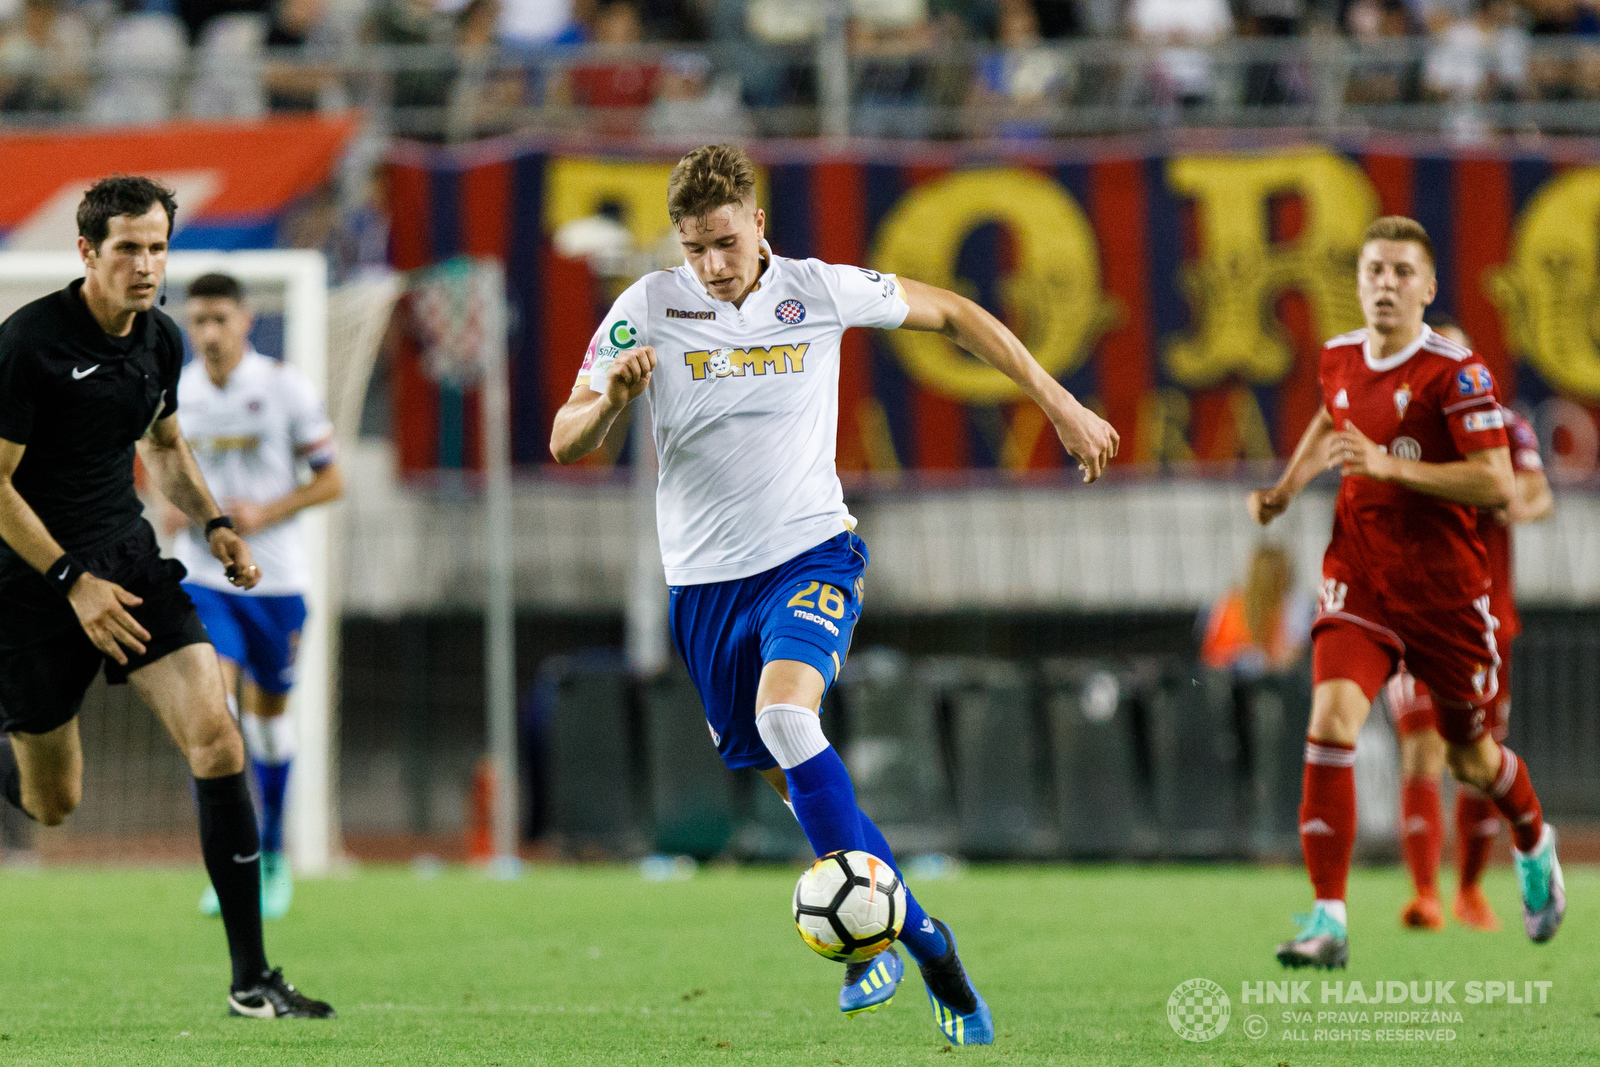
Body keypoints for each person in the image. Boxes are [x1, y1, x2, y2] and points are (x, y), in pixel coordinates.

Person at [550, 144, 1118, 1044]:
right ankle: (926, 938)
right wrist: (612, 398)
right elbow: (565, 436)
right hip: (703, 589)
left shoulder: (816, 290)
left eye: (726, 242)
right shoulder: (647, 307)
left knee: (787, 718)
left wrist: (1059, 403)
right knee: (788, 775)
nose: (713, 265)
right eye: (695, 248)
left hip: (811, 554)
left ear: (758, 222)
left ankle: (870, 947)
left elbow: (958, 314)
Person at [0, 176, 334, 1019]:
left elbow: (169, 444)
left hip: (134, 561)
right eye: (128, 249)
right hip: (36, 584)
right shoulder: (28, 343)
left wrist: (216, 521)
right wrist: (69, 582)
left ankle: (252, 979)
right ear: (88, 252)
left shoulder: (162, 340)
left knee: (218, 738)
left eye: (158, 247)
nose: (147, 265)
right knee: (53, 802)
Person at [1249, 215, 1564, 969]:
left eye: (1400, 272)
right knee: (1331, 721)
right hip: (1361, 578)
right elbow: (1335, 413)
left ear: (1426, 287)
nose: (1385, 284)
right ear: (1357, 284)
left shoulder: (1459, 374)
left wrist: (1391, 467)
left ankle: (1532, 836)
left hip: (1450, 598)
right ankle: (1328, 918)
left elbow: (1497, 480)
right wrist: (1289, 485)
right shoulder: (1336, 356)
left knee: (1470, 759)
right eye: (1373, 271)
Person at [161, 272, 343, 923]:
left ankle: (271, 854)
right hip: (203, 581)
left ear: (245, 320)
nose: (209, 332)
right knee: (214, 714)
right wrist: (170, 506)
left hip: (277, 582)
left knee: (267, 729)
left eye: (220, 319)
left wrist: (266, 512)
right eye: (199, 320)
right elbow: (151, 468)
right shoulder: (175, 389)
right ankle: (227, 862)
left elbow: (331, 480)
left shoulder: (283, 385)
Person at [1385, 322, 1553, 934]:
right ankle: (1425, 893)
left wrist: (1506, 501)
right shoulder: (1400, 432)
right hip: (1412, 615)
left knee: (1478, 756)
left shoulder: (1504, 428)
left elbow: (1538, 494)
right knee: (1421, 747)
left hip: (1487, 618)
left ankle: (1471, 890)